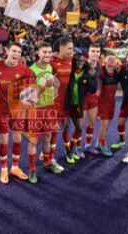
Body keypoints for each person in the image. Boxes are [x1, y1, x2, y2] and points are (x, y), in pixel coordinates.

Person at [0, 42, 33, 184]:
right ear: (7, 50)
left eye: (19, 52)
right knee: (4, 141)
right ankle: (4, 169)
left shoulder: (25, 70)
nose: (16, 54)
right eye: (14, 51)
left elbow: (31, 90)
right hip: (2, 111)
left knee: (18, 139)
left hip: (18, 110)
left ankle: (15, 167)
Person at [27, 42, 63, 184]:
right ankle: (32, 170)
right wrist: (43, 87)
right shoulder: (31, 70)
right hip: (35, 109)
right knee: (33, 141)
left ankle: (47, 163)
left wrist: (55, 87)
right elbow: (28, 96)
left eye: (49, 52)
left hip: (49, 107)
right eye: (44, 52)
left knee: (48, 137)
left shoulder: (50, 67)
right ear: (38, 53)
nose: (47, 55)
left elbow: (55, 84)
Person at [50, 36, 78, 165]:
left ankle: (68, 151)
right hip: (54, 103)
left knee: (66, 128)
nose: (72, 51)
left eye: (72, 48)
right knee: (53, 131)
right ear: (61, 48)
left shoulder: (73, 60)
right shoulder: (51, 62)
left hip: (67, 102)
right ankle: (50, 158)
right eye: (69, 48)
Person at [97, 54, 121, 157]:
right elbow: (98, 84)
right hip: (103, 103)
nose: (111, 61)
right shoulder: (101, 72)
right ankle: (102, 144)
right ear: (104, 62)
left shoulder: (117, 72)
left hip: (112, 102)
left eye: (113, 60)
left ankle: (99, 142)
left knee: (107, 125)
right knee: (104, 125)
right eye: (109, 59)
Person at [83, 43, 101, 154]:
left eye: (97, 51)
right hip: (82, 98)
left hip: (93, 98)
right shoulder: (82, 64)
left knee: (92, 124)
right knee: (79, 126)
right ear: (88, 52)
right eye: (93, 51)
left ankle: (88, 145)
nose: (95, 53)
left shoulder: (99, 65)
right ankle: (75, 148)